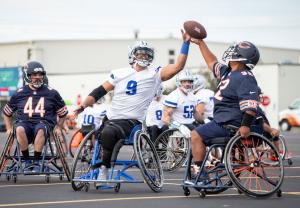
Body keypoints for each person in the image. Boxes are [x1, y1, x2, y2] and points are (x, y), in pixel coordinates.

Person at [73, 31, 191, 182]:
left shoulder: (155, 73)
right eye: (141, 54)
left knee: (109, 133)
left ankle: (104, 168)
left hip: (131, 121)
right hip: (111, 117)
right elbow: (99, 91)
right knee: (98, 132)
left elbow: (178, 66)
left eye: (147, 55)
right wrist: (83, 106)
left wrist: (186, 43)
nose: (144, 57)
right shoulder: (120, 73)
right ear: (133, 55)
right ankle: (101, 161)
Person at [189, 39, 260, 180]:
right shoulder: (229, 72)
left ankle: (199, 171)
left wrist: (245, 125)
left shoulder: (245, 76)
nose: (231, 53)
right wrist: (200, 43)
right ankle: (201, 168)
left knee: (195, 135)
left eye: (235, 51)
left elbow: (251, 104)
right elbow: (211, 62)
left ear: (241, 58)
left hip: (230, 123)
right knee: (198, 133)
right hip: (222, 120)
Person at [3, 61, 68, 173]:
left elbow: (63, 113)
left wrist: (59, 126)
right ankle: (28, 161)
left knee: (40, 129)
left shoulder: (52, 93)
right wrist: (9, 128)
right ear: (28, 76)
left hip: (44, 123)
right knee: (19, 128)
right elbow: (6, 112)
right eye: (34, 75)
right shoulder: (19, 93)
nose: (38, 77)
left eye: (40, 74)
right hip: (24, 123)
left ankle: (37, 161)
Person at [162, 69, 201, 135]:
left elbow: (194, 112)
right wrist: (179, 126)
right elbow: (165, 118)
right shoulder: (174, 96)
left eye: (189, 81)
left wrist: (205, 121)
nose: (187, 84)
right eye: (184, 81)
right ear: (179, 82)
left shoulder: (192, 95)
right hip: (179, 126)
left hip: (192, 124)